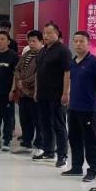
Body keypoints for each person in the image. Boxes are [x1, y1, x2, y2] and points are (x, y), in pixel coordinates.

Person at [65, 30, 96, 181]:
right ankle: (76, 167)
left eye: (81, 41)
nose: (78, 44)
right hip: (73, 107)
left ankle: (92, 169)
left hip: (88, 108)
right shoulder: (72, 62)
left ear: (88, 43)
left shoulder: (95, 62)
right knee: (74, 138)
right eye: (75, 41)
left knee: (90, 140)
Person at [34, 21, 72, 168]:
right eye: (44, 33)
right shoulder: (43, 50)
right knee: (44, 123)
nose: (46, 36)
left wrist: (65, 93)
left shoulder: (63, 51)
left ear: (56, 33)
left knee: (59, 124)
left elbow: (67, 73)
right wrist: (36, 91)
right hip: (43, 94)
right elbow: (38, 72)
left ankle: (62, 155)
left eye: (49, 33)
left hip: (57, 94)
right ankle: (48, 150)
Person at [13, 30, 43, 154]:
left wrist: (24, 82)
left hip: (35, 94)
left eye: (34, 41)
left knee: (38, 121)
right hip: (23, 94)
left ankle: (39, 145)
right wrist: (19, 81)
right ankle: (26, 143)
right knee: (25, 119)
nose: (31, 44)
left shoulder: (43, 55)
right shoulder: (26, 54)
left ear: (41, 42)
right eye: (29, 41)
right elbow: (17, 69)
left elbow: (39, 74)